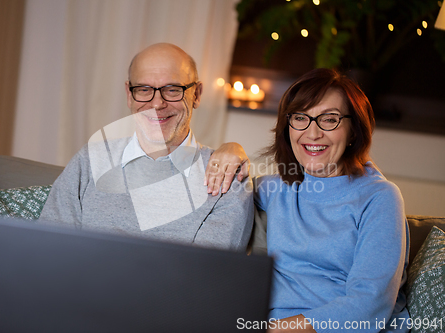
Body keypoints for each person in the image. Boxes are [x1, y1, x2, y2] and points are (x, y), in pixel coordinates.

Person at [208, 68, 409, 332]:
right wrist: (231, 148)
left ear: (353, 130)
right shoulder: (277, 187)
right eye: (301, 118)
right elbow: (222, 194)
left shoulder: (380, 198)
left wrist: (270, 330)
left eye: (329, 119)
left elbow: (369, 306)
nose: (312, 134)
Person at [39, 43, 253, 251]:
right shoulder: (90, 160)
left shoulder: (228, 177)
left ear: (196, 94)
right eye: (143, 89)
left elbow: (205, 276)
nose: (157, 104)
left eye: (172, 89)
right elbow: (50, 251)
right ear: (129, 94)